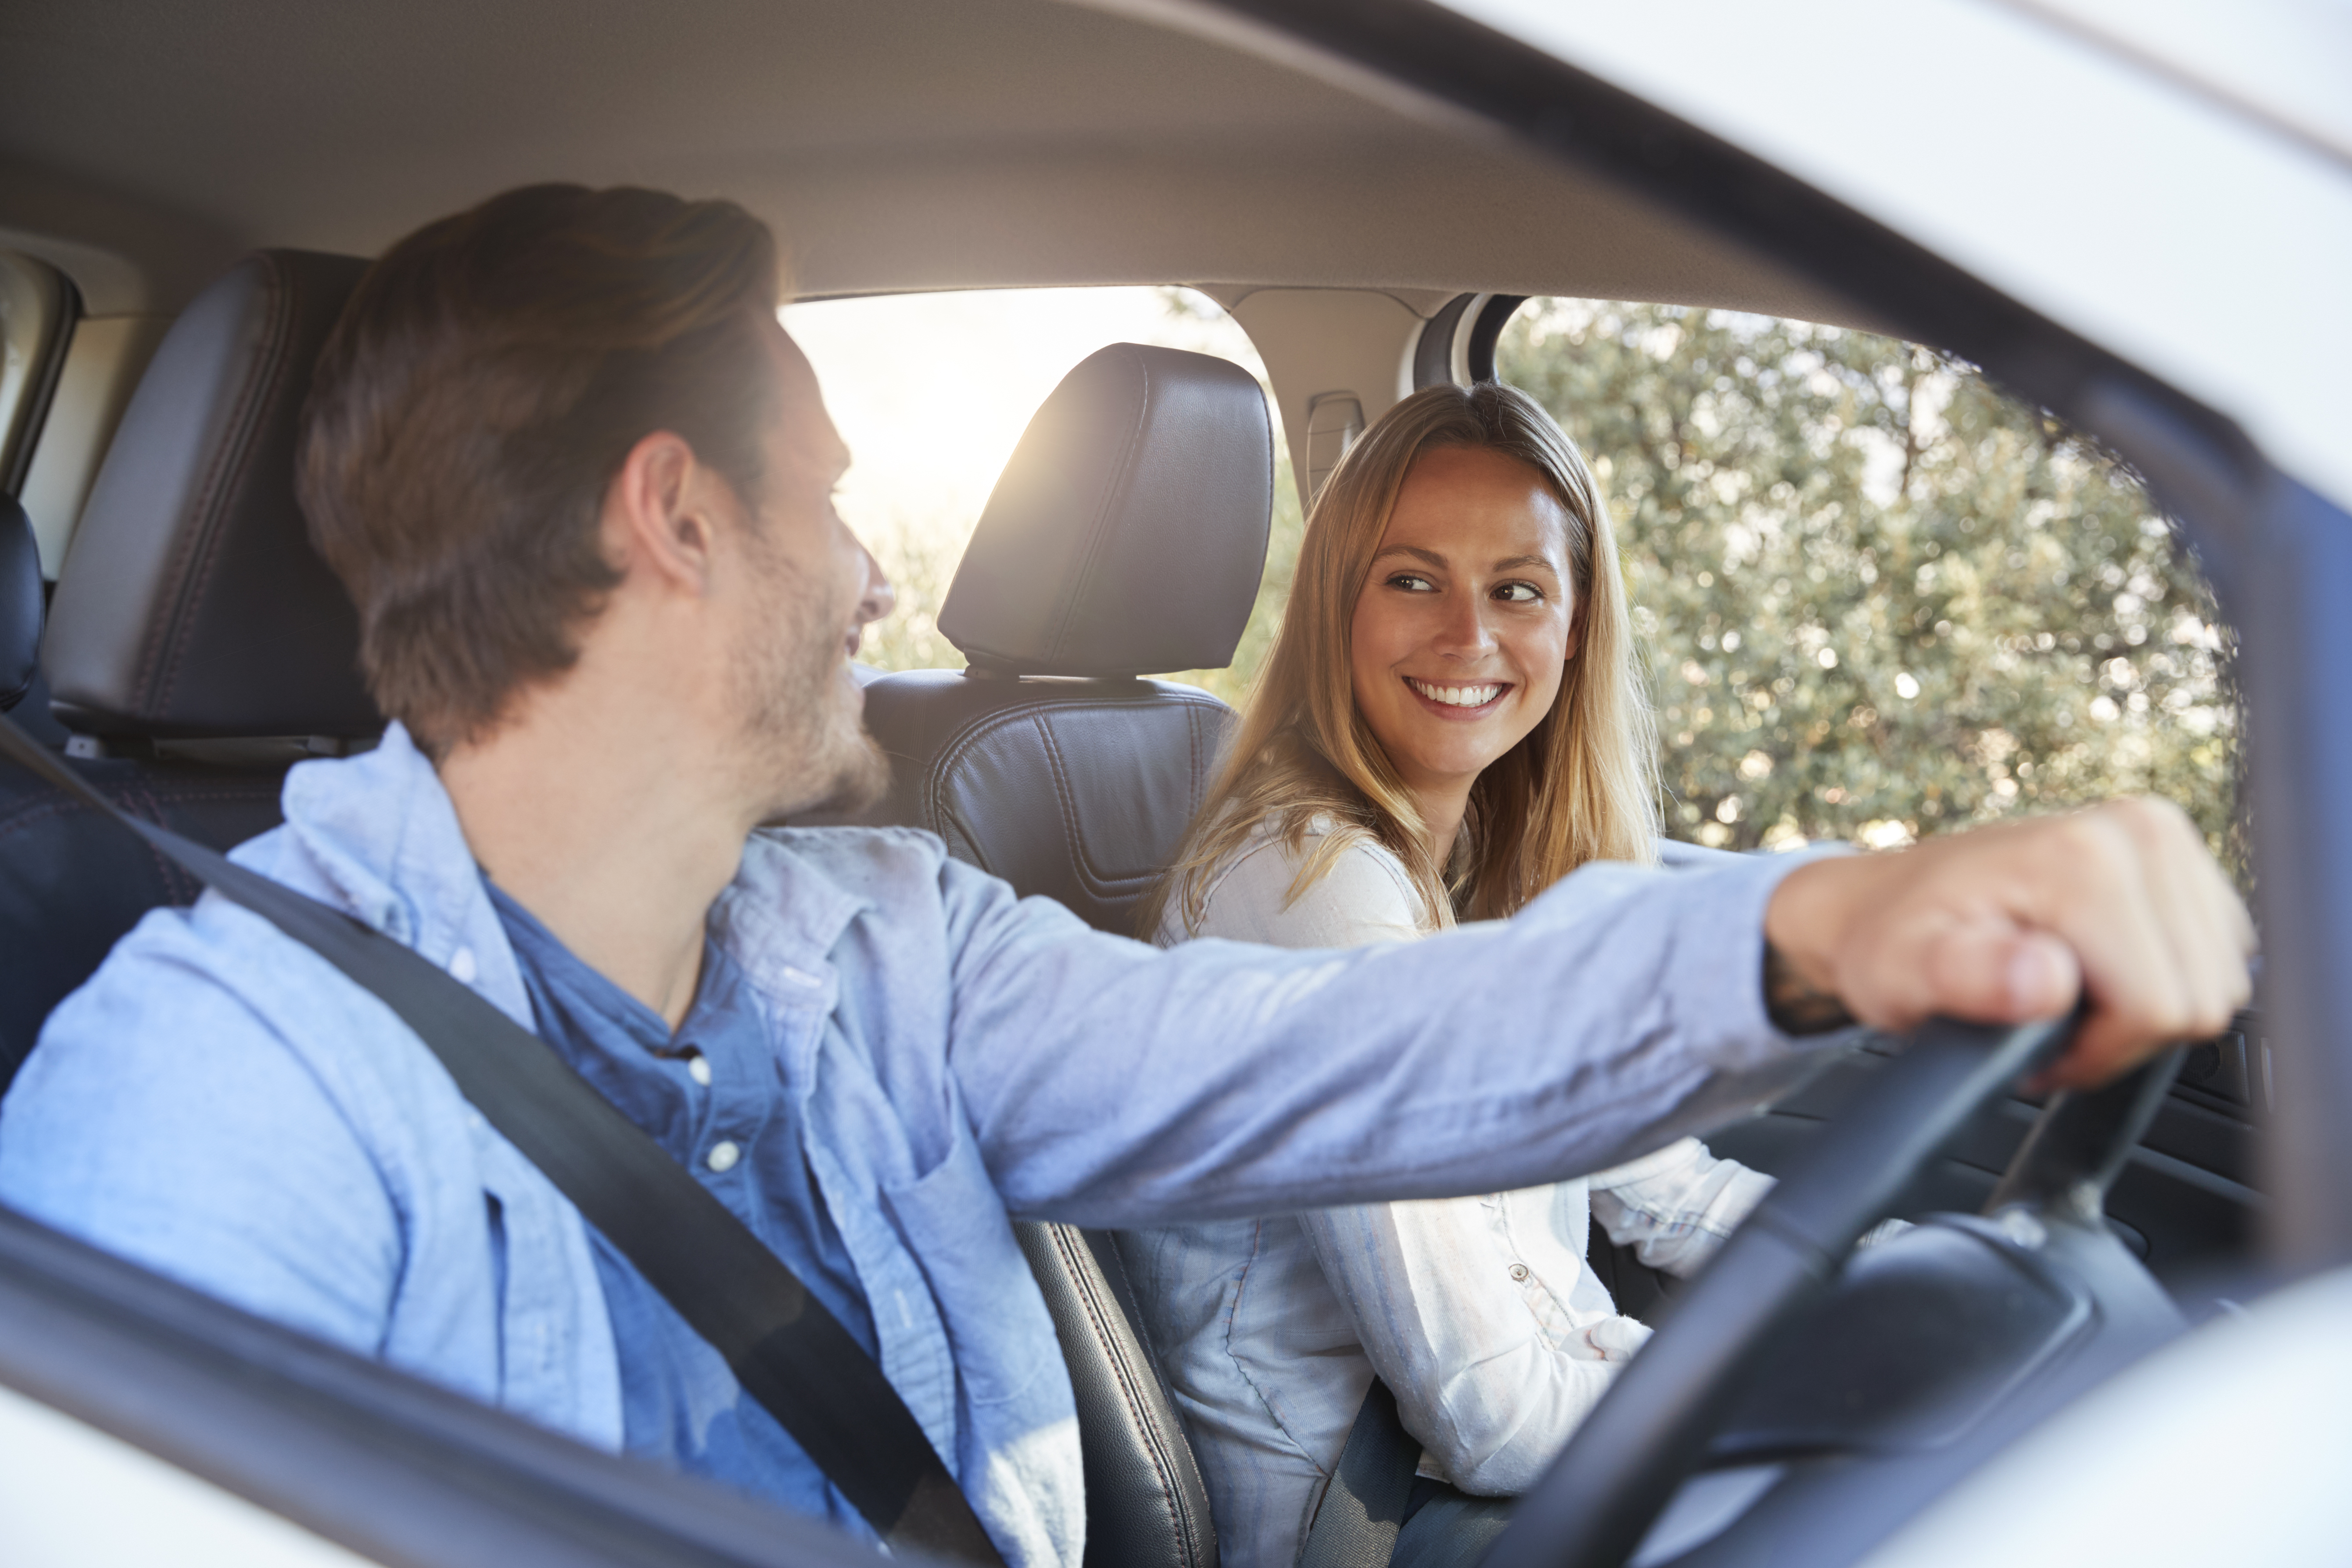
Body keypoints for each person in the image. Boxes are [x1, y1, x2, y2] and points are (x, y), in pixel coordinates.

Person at [0, 186, 2251, 1568]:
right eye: (822, 498)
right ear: (674, 518)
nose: (869, 567)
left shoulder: (882, 943)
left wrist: (1793, 931)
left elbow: (1347, 1052)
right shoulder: (216, 1097)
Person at [1121, 381, 1878, 1567]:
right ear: (1338, 608)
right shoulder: (1304, 886)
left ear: (1574, 626)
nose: (1468, 638)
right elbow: (1493, 1419)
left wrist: (1895, 1284)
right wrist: (1780, 1393)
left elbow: (1664, 1191)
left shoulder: (1487, 865)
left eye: (1516, 589)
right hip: (1370, 1527)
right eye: (1413, 579)